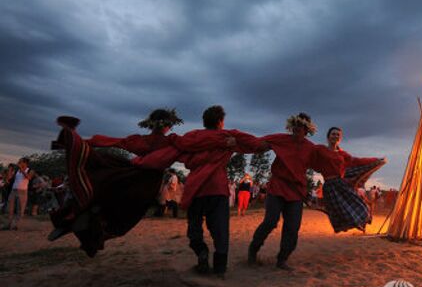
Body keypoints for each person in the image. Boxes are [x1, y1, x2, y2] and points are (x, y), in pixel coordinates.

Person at [47, 109, 185, 257]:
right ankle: (94, 233)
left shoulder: (139, 140)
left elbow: (112, 141)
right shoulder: (171, 142)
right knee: (125, 220)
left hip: (129, 176)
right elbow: (189, 149)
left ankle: (73, 218)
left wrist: (83, 143)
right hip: (149, 184)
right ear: (168, 126)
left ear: (151, 124)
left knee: (104, 195)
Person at [150, 105, 267, 277]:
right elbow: (255, 144)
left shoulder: (193, 137)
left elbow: (177, 143)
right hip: (217, 189)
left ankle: (201, 252)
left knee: (194, 229)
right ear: (220, 122)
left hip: (195, 188)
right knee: (220, 232)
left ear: (204, 122)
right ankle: (219, 270)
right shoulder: (227, 136)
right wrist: (270, 144)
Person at [248, 113, 317, 271]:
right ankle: (253, 250)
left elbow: (327, 161)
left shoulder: (311, 148)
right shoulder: (281, 139)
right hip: (277, 187)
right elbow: (257, 142)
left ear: (306, 130)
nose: (297, 130)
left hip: (296, 192)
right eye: (295, 127)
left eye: (300, 128)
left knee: (292, 227)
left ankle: (282, 259)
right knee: (270, 221)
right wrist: (238, 143)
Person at [310, 127, 386, 233]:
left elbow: (356, 161)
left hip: (341, 184)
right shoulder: (320, 149)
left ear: (340, 138)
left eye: (338, 135)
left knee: (361, 206)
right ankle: (348, 225)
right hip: (329, 186)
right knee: (337, 211)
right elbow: (308, 151)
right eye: (333, 134)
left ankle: (360, 223)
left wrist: (376, 160)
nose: (335, 136)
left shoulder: (342, 154)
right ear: (328, 137)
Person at [3, 158, 35, 230]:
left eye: (20, 162)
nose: (18, 163)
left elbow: (29, 177)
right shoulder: (17, 170)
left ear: (25, 163)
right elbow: (9, 179)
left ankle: (15, 225)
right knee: (10, 209)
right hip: (14, 191)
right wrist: (10, 171)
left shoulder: (30, 170)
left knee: (20, 210)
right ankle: (9, 224)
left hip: (22, 192)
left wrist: (22, 169)